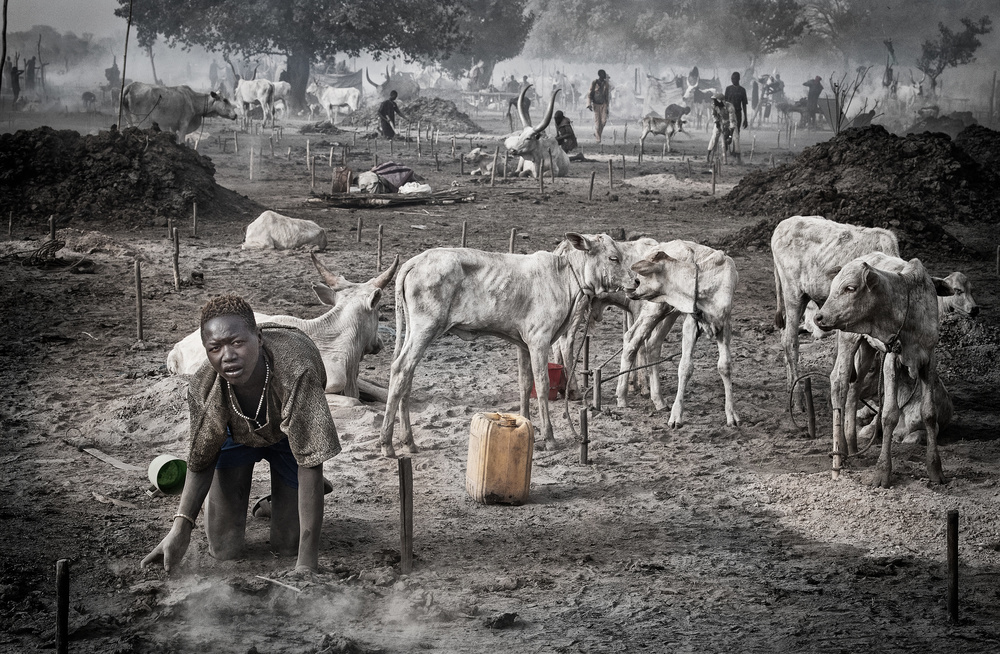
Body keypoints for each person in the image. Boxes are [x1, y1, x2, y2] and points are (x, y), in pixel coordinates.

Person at [141, 295, 341, 574]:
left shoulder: (297, 370)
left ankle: (291, 496)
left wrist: (306, 564)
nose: (228, 356)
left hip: (289, 437)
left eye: (237, 342)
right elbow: (201, 457)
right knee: (224, 549)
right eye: (215, 348)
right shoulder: (204, 386)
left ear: (258, 338)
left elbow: (311, 460)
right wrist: (180, 528)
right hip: (235, 436)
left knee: (288, 545)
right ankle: (267, 497)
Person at [723, 72, 749, 163]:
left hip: (738, 113)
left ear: (738, 79)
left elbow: (744, 105)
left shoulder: (742, 90)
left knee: (737, 132)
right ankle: (726, 148)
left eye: (734, 78)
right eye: (731, 78)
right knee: (727, 131)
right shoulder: (728, 89)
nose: (732, 80)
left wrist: (746, 118)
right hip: (729, 114)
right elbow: (724, 103)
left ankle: (735, 150)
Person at [587, 69, 611, 143]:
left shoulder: (606, 84)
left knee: (604, 121)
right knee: (597, 122)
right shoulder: (594, 83)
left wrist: (607, 107)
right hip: (596, 104)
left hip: (604, 104)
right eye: (602, 75)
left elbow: (607, 96)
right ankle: (598, 138)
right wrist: (589, 104)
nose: (603, 77)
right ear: (599, 75)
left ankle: (597, 133)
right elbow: (589, 94)